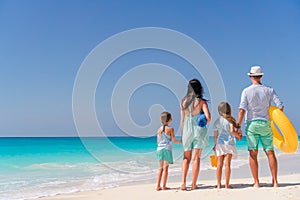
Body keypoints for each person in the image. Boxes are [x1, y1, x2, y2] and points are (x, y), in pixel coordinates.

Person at [237, 66, 284, 188]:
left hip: (252, 124)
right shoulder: (269, 90)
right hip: (265, 124)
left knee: (253, 153)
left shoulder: (246, 91)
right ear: (261, 76)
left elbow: (242, 110)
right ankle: (275, 181)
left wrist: (238, 125)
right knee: (270, 152)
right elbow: (280, 106)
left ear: (251, 76)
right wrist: (275, 118)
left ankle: (256, 182)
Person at [180, 79, 211, 190]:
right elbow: (208, 118)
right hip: (198, 130)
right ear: (199, 88)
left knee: (186, 158)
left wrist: (183, 133)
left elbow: (182, 120)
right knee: (196, 158)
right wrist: (202, 120)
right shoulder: (202, 102)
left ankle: (183, 183)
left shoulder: (184, 101)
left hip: (187, 131)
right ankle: (193, 185)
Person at [213, 102, 242, 189]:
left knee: (219, 164)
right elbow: (232, 131)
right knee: (227, 164)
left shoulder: (217, 121)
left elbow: (215, 135)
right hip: (229, 143)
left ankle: (218, 185)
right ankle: (226, 185)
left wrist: (215, 145)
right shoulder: (230, 120)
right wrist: (238, 136)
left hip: (219, 143)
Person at [156, 111, 181, 191]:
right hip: (167, 149)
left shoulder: (159, 129)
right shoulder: (171, 129)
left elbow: (157, 142)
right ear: (169, 119)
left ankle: (157, 186)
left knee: (160, 168)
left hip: (159, 149)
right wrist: (181, 141)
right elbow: (174, 141)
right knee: (166, 168)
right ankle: (163, 186)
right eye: (171, 118)